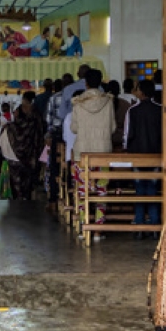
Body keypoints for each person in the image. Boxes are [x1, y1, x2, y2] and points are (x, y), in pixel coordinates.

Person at [71, 69, 115, 227]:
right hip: (103, 152)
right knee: (101, 189)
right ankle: (98, 226)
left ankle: (84, 224)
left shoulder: (77, 103)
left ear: (86, 83)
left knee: (83, 190)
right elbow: (112, 127)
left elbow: (74, 129)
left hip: (82, 153)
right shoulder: (108, 102)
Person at [125, 79, 163, 237]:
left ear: (140, 92)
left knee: (140, 190)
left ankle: (139, 226)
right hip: (156, 154)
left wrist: (127, 150)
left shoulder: (133, 111)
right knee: (153, 190)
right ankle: (154, 226)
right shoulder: (161, 110)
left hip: (138, 155)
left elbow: (128, 135)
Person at [3, 92, 45, 200]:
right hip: (30, 155)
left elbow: (5, 136)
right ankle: (27, 197)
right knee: (28, 178)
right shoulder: (36, 117)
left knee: (16, 178)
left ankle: (18, 197)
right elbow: (40, 134)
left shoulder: (12, 126)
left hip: (15, 156)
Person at [107, 80, 130, 152]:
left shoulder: (104, 104)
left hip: (107, 137)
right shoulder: (125, 104)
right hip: (121, 138)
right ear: (119, 90)